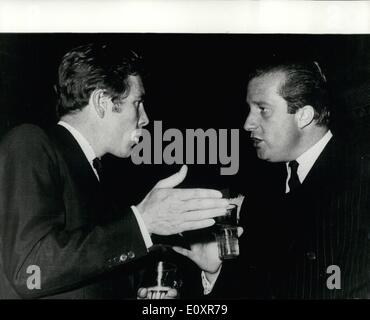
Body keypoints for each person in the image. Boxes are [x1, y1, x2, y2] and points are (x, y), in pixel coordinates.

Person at [0, 43, 229, 299]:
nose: (145, 118)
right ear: (101, 102)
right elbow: (30, 271)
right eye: (137, 102)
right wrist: (143, 221)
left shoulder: (98, 179)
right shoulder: (30, 143)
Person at [174, 60, 370, 299]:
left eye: (262, 109)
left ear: (304, 116)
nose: (248, 123)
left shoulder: (360, 179)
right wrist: (215, 271)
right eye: (249, 110)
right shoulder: (260, 194)